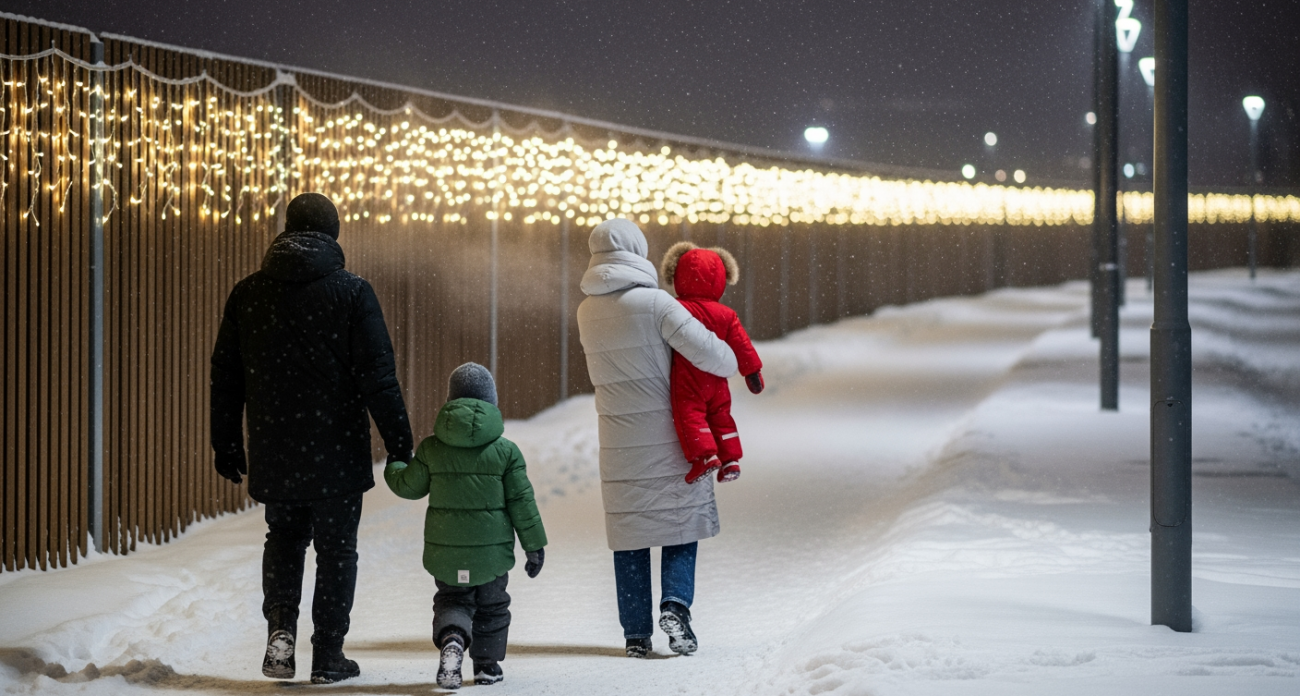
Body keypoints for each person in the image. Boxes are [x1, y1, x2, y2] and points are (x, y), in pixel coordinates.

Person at [210, 192, 414, 684]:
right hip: (337, 449)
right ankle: (328, 654)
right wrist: (400, 442)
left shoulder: (248, 292)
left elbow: (226, 375)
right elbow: (378, 376)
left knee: (283, 538)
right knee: (337, 550)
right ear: (333, 235)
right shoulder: (352, 292)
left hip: (277, 448)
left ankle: (281, 629)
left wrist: (226, 441)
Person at [576, 218, 739, 658]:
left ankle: (635, 635)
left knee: (630, 536)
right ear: (638, 250)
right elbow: (716, 358)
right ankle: (675, 605)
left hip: (618, 442)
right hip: (672, 439)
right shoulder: (657, 305)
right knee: (680, 526)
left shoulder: (586, 311)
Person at [383, 363, 547, 689]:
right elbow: (522, 503)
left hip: (447, 553)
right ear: (492, 402)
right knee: (492, 606)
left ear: (451, 401)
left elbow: (408, 486)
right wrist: (534, 545)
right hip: (492, 556)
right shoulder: (506, 452)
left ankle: (453, 640)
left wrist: (394, 465)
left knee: (452, 601)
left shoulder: (432, 448)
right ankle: (486, 666)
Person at [660, 242, 764, 484]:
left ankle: (705, 457)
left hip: (688, 377)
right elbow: (742, 345)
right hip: (718, 381)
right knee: (720, 414)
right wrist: (753, 372)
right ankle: (731, 460)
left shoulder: (675, 308)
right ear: (721, 277)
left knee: (689, 414)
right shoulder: (726, 314)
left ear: (677, 275)